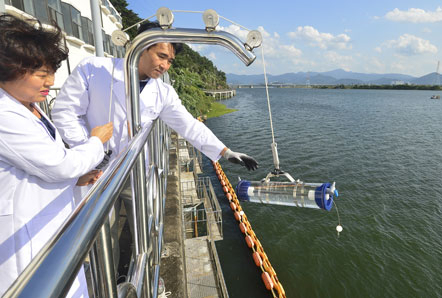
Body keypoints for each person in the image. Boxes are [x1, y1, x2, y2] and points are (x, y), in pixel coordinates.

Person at [51, 21, 258, 273]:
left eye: (170, 61)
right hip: (96, 170)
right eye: (161, 56)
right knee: (102, 238)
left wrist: (225, 152)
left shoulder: (163, 92)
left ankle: (145, 276)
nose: (165, 65)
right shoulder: (94, 69)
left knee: (144, 229)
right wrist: (90, 149)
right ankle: (109, 280)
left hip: (136, 171)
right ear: (140, 47)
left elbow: (189, 126)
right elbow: (64, 112)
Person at [0, 15, 113, 296]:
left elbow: (34, 167)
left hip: (48, 223)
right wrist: (96, 141)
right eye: (41, 74)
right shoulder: (4, 115)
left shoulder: (28, 106)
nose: (50, 81)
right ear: (9, 69)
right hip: (25, 238)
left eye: (51, 72)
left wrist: (74, 181)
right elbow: (59, 165)